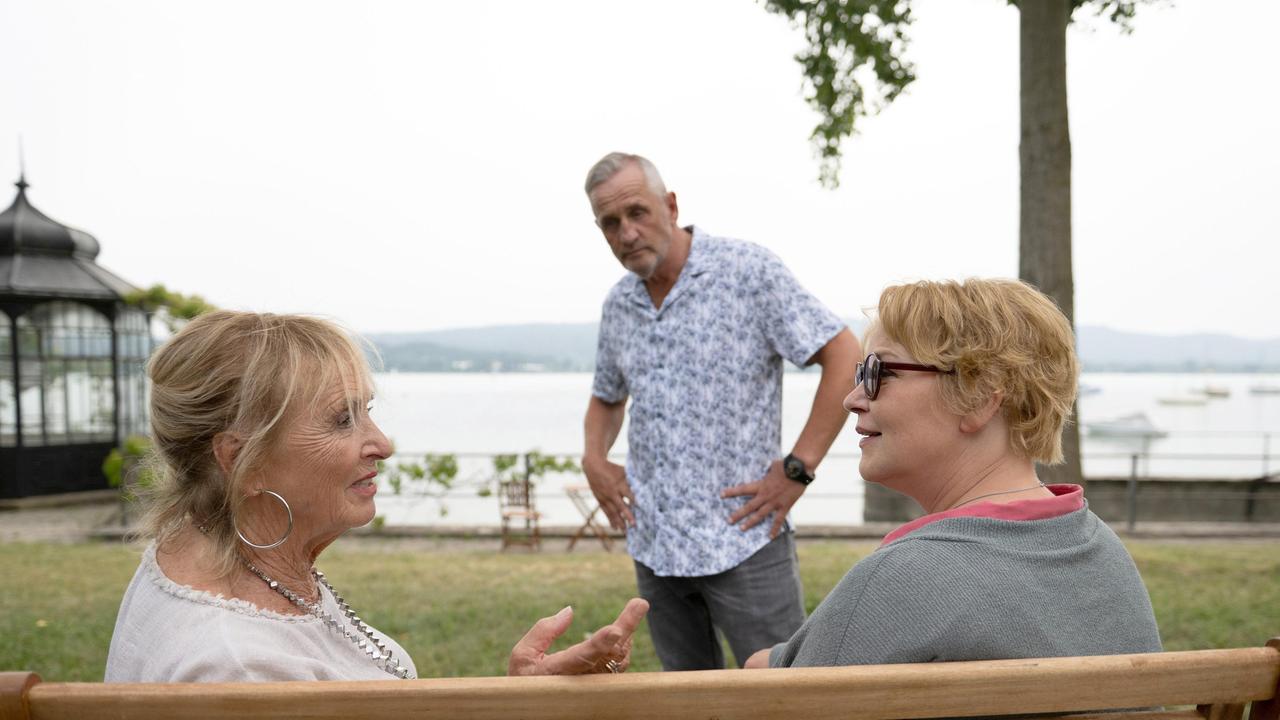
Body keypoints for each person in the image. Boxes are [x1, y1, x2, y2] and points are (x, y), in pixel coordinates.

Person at [105, 310, 647, 682]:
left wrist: (516, 701)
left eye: (368, 411)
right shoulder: (242, 669)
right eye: (343, 420)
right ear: (238, 460)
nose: (382, 445)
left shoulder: (207, 553)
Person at [746, 278, 1162, 669]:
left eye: (879, 373)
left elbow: (781, 695)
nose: (852, 399)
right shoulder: (1103, 551)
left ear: (979, 399)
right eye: (860, 374)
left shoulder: (905, 578)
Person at [581, 152, 860, 671]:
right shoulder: (618, 304)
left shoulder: (747, 271)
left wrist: (798, 470)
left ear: (670, 205)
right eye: (610, 223)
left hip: (745, 537)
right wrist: (593, 458)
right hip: (655, 541)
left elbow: (844, 355)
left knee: (787, 695)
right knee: (685, 702)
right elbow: (606, 396)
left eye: (637, 212)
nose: (627, 233)